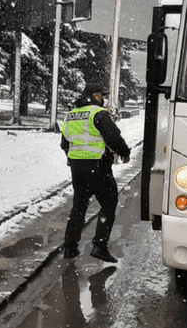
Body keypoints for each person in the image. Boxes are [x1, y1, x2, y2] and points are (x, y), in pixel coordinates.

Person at [60, 83, 131, 262]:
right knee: (109, 203)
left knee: (79, 206)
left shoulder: (71, 115)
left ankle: (70, 247)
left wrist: (75, 157)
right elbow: (113, 137)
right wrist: (124, 152)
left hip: (77, 168)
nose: (102, 98)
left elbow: (64, 143)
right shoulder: (97, 114)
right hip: (97, 166)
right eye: (100, 95)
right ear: (92, 95)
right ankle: (100, 245)